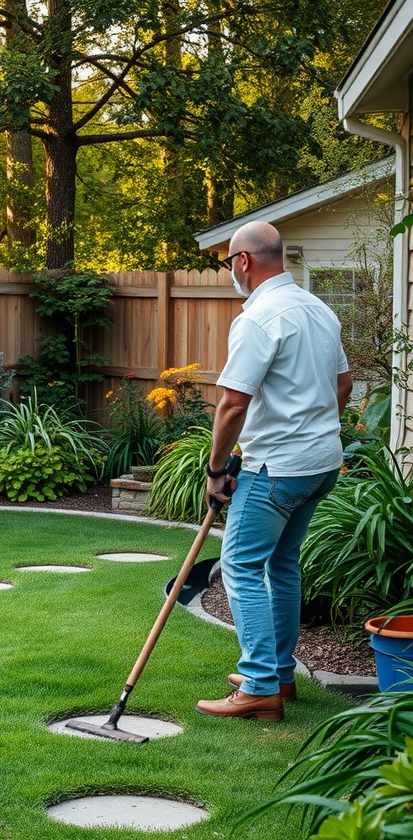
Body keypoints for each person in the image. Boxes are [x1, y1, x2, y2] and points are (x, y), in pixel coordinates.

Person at [196, 221, 353, 722]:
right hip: (320, 463)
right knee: (282, 565)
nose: (230, 274)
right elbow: (344, 383)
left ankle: (260, 684)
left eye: (228, 264)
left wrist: (216, 469)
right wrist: (310, 425)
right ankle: (280, 675)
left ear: (243, 261)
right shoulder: (319, 309)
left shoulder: (259, 317)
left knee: (240, 567)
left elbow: (231, 404)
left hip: (277, 468)